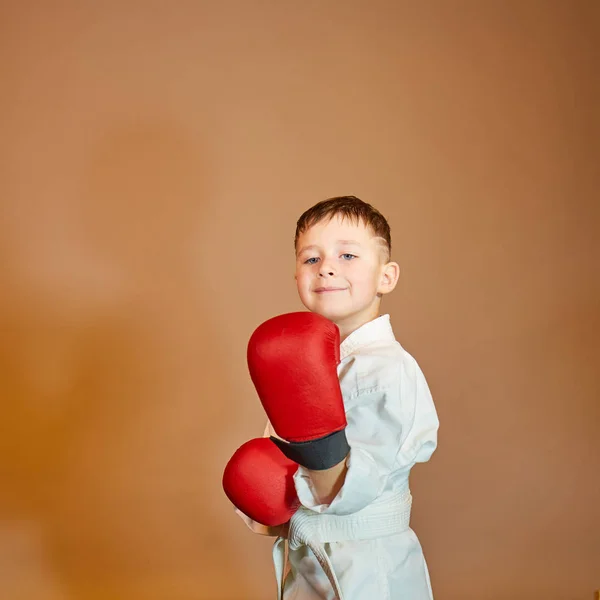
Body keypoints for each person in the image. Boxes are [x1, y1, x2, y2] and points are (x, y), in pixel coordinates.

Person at [233, 196, 439, 599]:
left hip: (369, 569)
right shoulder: (301, 363)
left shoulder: (390, 370)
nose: (326, 266)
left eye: (347, 255)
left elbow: (346, 490)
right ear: (296, 277)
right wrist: (266, 503)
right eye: (311, 259)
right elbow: (291, 486)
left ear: (386, 277)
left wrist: (315, 446)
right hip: (309, 560)